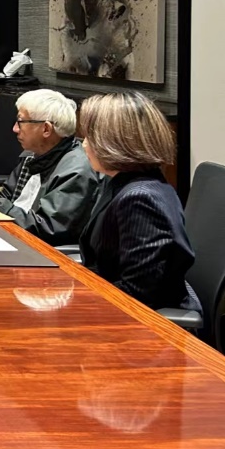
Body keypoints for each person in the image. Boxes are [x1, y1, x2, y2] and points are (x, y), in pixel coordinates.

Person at [77, 91, 199, 313]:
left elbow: (138, 293)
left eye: (89, 137)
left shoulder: (140, 199)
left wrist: (73, 297)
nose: (84, 145)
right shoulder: (120, 182)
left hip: (138, 319)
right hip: (109, 298)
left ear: (113, 143)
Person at [0, 89, 100, 245]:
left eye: (20, 122)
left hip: (34, 246)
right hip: (9, 233)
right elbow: (6, 198)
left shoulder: (76, 171)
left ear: (46, 129)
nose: (15, 129)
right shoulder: (33, 155)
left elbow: (45, 229)